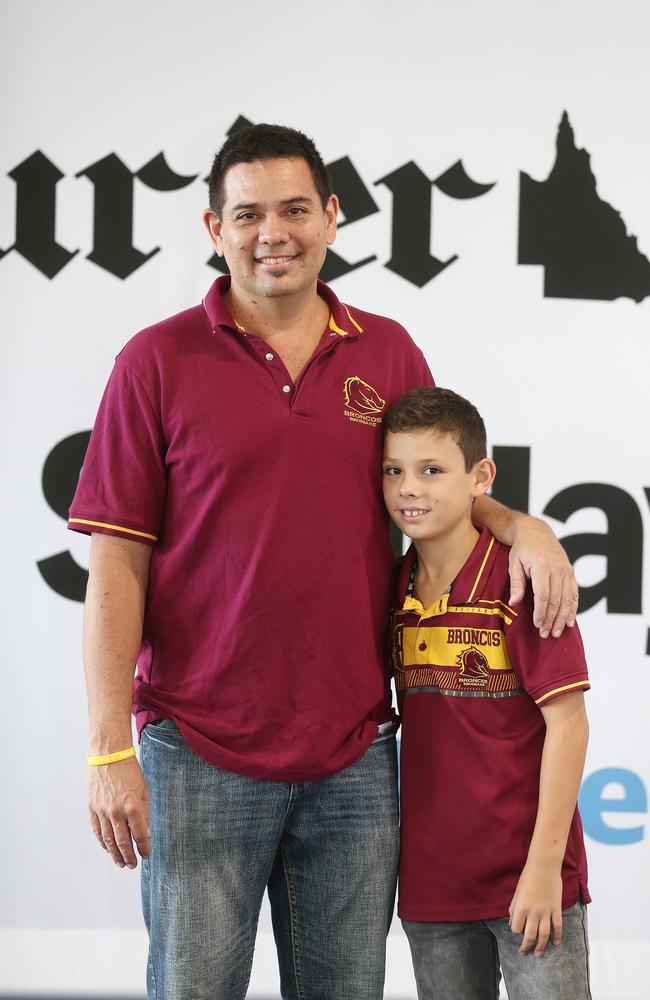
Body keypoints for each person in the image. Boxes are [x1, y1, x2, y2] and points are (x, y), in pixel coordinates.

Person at [69, 124, 579, 1000]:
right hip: (198, 752)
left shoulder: (386, 350)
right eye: (250, 213)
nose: (276, 232)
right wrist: (107, 746)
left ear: (333, 217)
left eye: (297, 208)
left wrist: (521, 524)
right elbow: (116, 565)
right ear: (214, 229)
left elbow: (440, 488)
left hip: (356, 756)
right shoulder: (154, 362)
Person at [382, 386, 591, 1000]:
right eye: (394, 471)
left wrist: (544, 871)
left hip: (532, 880)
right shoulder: (393, 586)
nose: (409, 489)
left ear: (481, 476)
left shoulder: (524, 579)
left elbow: (569, 725)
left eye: (431, 470)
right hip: (432, 889)